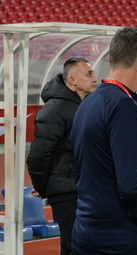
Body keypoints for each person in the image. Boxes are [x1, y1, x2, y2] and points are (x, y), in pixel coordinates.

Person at [70, 27, 137, 255]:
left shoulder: (88, 103)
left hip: (87, 230)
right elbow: (131, 183)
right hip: (122, 237)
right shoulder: (123, 105)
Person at [26, 57, 97, 255]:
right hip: (67, 192)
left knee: (70, 248)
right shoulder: (55, 108)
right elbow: (38, 155)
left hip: (79, 189)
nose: (95, 79)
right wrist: (42, 187)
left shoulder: (80, 106)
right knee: (80, 246)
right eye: (89, 74)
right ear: (72, 80)